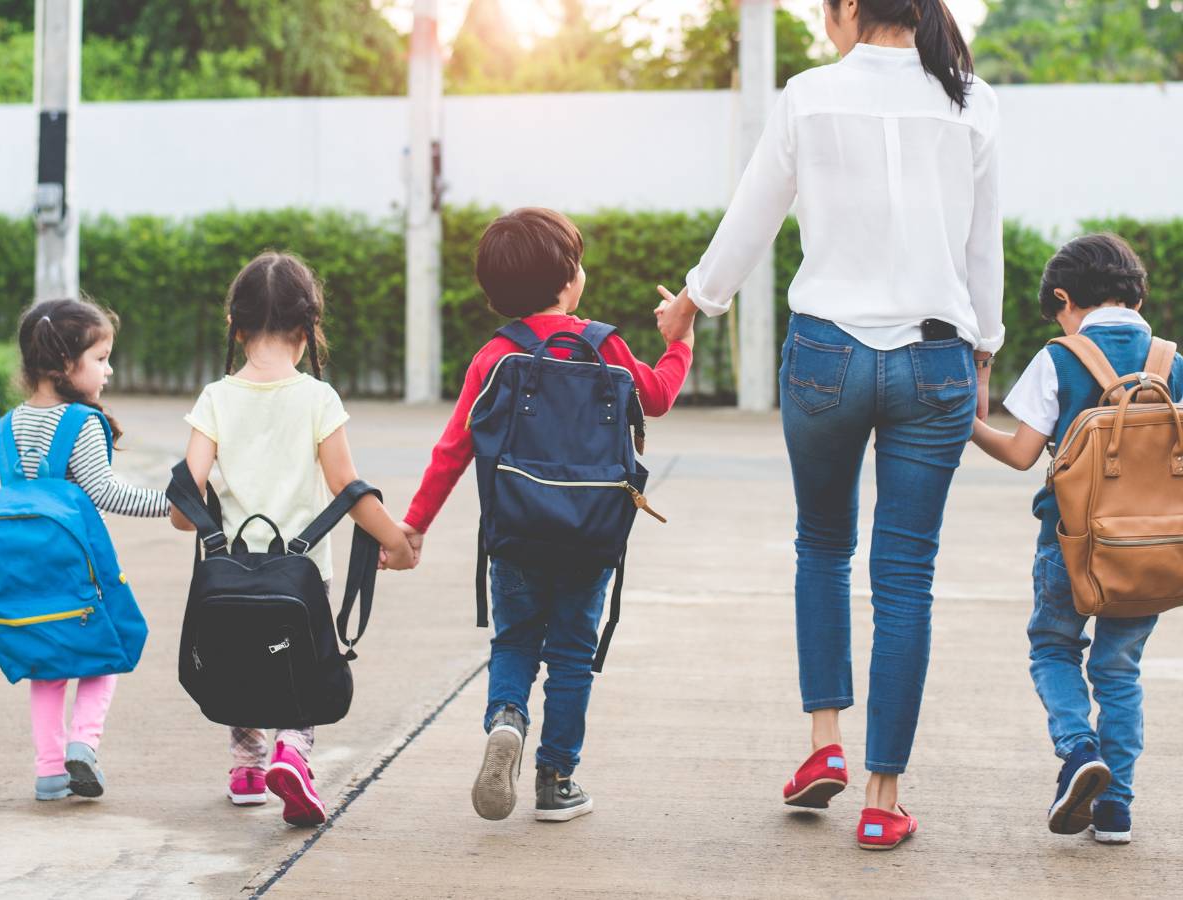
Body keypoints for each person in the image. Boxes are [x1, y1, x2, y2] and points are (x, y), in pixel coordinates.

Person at [655, 0, 1002, 849]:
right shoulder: (971, 99)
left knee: (821, 545)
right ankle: (884, 801)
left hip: (825, 358)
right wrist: (984, 351)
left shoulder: (808, 95)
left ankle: (825, 746)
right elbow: (980, 247)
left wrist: (694, 304)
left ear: (849, 9)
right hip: (934, 359)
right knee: (906, 576)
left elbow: (752, 217)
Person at [400, 208, 692, 822]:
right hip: (591, 535)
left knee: (513, 642)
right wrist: (680, 343)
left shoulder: (494, 356)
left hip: (516, 532)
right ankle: (555, 781)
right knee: (570, 655)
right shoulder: (604, 345)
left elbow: (453, 448)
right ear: (569, 281)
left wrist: (415, 523)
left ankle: (507, 719)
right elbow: (657, 398)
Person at [170, 251, 414, 827]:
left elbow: (185, 503)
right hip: (302, 573)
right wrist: (397, 542)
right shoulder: (317, 398)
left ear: (237, 325)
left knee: (239, 654)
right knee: (298, 661)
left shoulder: (215, 398)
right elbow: (346, 488)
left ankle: (248, 768)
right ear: (307, 330)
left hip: (228, 570)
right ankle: (293, 754)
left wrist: (200, 522)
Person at [973, 233, 1181, 845]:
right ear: (1136, 295)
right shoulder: (1172, 360)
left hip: (1071, 542)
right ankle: (1115, 809)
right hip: (1153, 552)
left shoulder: (1059, 357)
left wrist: (969, 424)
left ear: (1064, 298)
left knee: (1053, 647)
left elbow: (1019, 454)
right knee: (1119, 671)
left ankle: (1077, 750)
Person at [8, 297, 171, 801]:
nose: (109, 369)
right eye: (100, 358)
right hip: (80, 568)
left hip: (25, 573)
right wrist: (174, 504)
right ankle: (83, 743)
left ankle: (49, 772)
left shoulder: (6, 425)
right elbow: (108, 493)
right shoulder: (80, 424)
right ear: (63, 364)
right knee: (108, 651)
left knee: (46, 665)